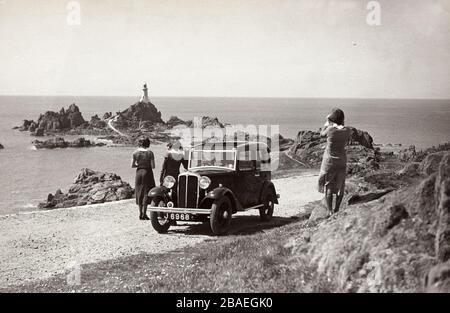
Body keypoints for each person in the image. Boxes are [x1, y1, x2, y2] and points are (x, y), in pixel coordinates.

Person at [318, 108, 351, 217]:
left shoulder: (330, 130)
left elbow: (321, 134)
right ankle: (336, 209)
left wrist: (326, 123)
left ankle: (330, 211)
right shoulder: (347, 130)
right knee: (340, 187)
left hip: (329, 162)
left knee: (329, 187)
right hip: (341, 161)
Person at [132, 137, 156, 220]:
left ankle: (140, 214)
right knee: (146, 192)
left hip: (139, 172)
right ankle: (144, 213)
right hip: (147, 172)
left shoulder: (135, 153)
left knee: (139, 192)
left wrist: (139, 165)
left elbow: (132, 165)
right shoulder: (150, 153)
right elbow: (153, 166)